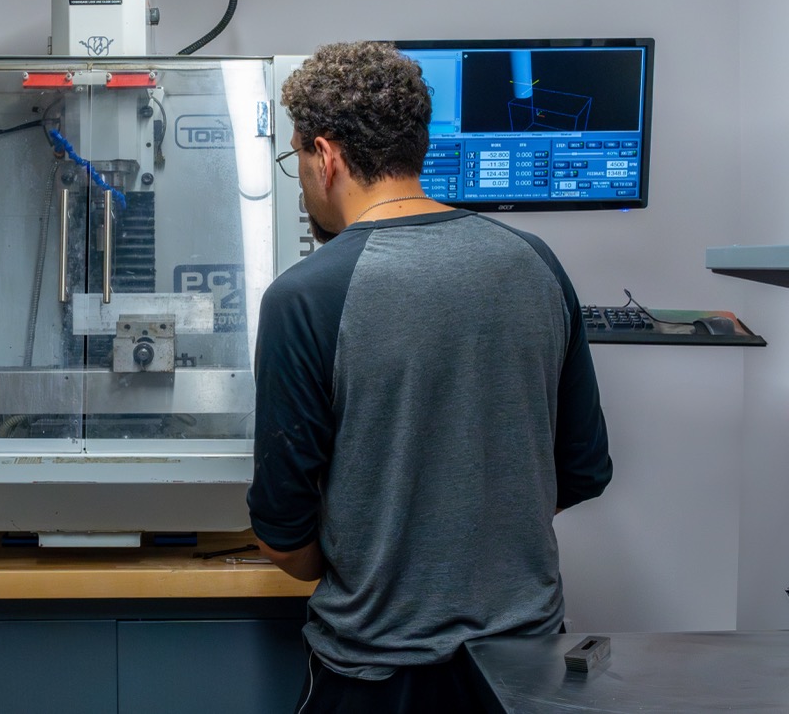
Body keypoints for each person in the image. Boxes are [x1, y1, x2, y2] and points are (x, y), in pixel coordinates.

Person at [247, 41, 612, 712]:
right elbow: (583, 470)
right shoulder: (535, 262)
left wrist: (376, 552)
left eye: (295, 157)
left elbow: (283, 536)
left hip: (377, 677)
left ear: (325, 157)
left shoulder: (304, 295)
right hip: (526, 670)